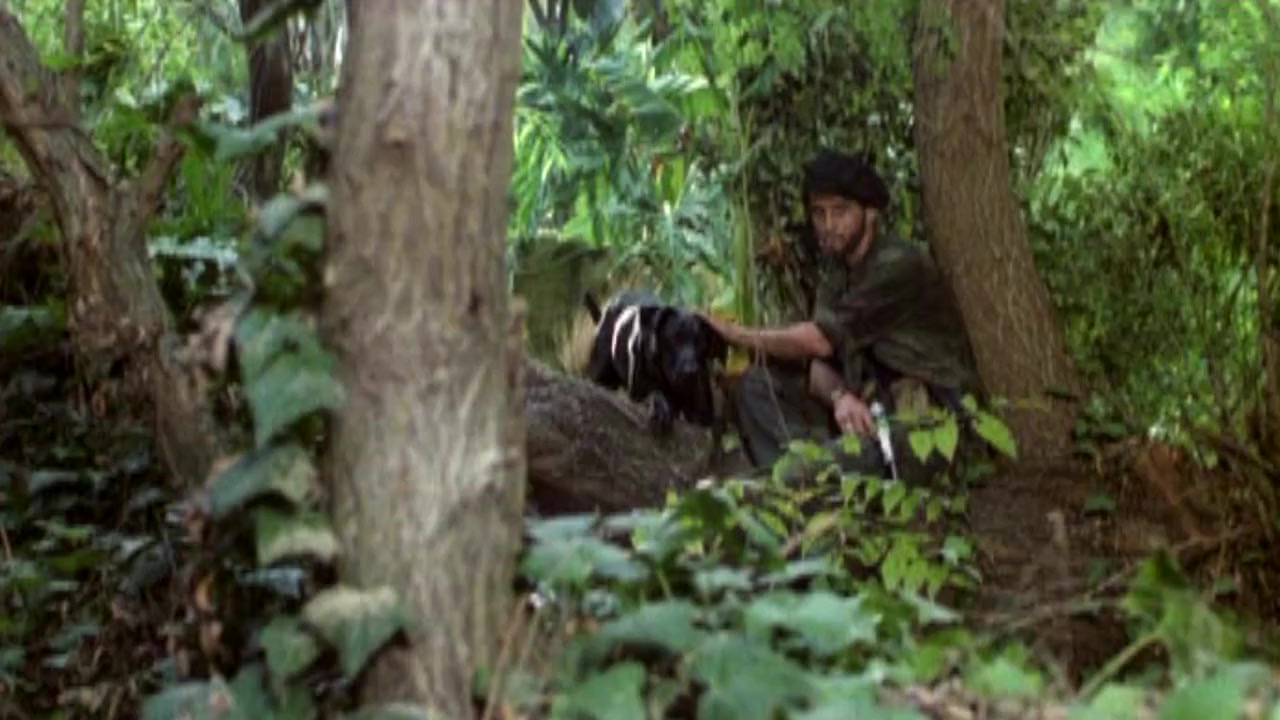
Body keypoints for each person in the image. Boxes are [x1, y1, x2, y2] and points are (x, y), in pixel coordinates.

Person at [701, 149, 982, 484]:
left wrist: (734, 333)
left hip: (925, 427)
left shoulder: (898, 264)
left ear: (870, 214)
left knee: (797, 475)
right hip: (869, 414)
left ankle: (811, 480)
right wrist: (839, 397)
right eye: (819, 213)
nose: (828, 225)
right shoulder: (836, 271)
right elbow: (819, 363)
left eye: (840, 211)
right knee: (756, 386)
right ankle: (818, 475)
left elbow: (817, 340)